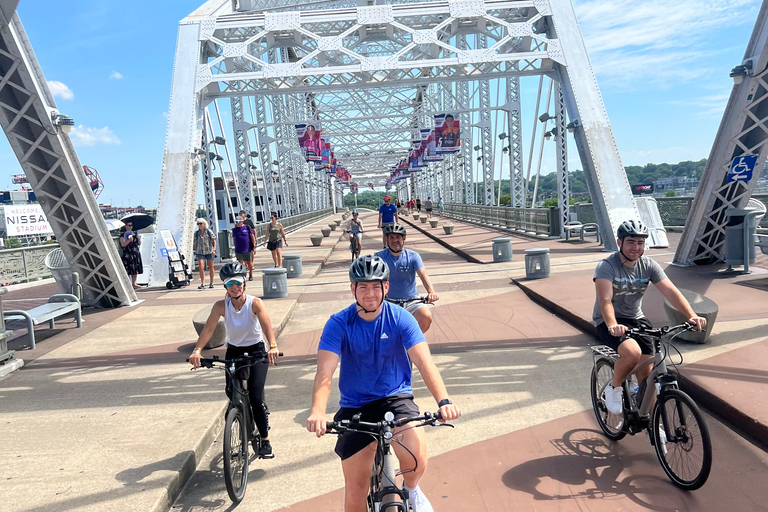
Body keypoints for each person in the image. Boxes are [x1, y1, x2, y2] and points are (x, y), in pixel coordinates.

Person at [306, 255, 461, 512]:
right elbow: (325, 372)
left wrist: (443, 401)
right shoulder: (339, 323)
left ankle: (412, 489)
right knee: (355, 493)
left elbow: (425, 363)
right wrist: (317, 412)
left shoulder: (401, 318)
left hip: (395, 398)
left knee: (416, 456)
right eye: (363, 287)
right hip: (356, 405)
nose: (370, 294)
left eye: (375, 286)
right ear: (353, 288)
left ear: (386, 287)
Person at [594, 219, 706, 415]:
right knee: (632, 353)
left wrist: (692, 315)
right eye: (630, 242)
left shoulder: (648, 265)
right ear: (620, 242)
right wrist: (612, 324)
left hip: (636, 318)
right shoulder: (606, 266)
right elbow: (605, 300)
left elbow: (671, 292)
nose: (636, 247)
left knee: (647, 379)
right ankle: (615, 386)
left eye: (640, 243)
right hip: (610, 320)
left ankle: (650, 424)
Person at [189, 262, 280, 458]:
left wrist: (272, 346)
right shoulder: (221, 306)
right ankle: (236, 420)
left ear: (244, 283)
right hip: (234, 351)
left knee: (256, 397)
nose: (234, 287)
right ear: (225, 285)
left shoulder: (255, 303)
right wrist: (197, 351)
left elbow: (267, 327)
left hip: (256, 351)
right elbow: (209, 329)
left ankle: (265, 439)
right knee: (233, 393)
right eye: (230, 283)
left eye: (238, 282)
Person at [377, 224, 438, 333]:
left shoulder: (413, 256)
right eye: (391, 237)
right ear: (387, 239)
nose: (394, 240)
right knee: (376, 324)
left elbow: (423, 274)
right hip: (389, 301)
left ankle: (413, 339)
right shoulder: (379, 257)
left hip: (411, 301)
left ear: (404, 238)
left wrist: (431, 292)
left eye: (398, 237)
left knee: (426, 316)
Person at [193, 218, 217, 290]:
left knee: (211, 266)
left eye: (200, 223)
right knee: (201, 266)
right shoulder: (196, 233)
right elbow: (196, 242)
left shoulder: (209, 231)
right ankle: (203, 283)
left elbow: (214, 240)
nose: (199, 225)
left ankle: (211, 282)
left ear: (204, 224)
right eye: (198, 224)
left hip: (209, 251)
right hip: (200, 251)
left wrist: (214, 249)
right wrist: (196, 252)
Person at [233, 217, 257, 281]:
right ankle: (242, 275)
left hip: (247, 248)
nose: (237, 223)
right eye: (236, 222)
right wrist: (235, 246)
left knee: (249, 262)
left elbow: (252, 237)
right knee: (240, 263)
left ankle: (250, 274)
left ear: (241, 222)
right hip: (238, 249)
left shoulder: (247, 227)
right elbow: (234, 238)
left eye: (238, 222)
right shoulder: (234, 229)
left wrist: (254, 246)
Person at [120, 222, 143, 289]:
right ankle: (127, 284)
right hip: (128, 253)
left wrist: (138, 238)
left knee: (135, 268)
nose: (131, 227)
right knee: (127, 268)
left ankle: (134, 283)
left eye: (132, 225)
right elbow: (123, 244)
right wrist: (129, 241)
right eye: (129, 225)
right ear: (126, 226)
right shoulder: (123, 235)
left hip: (135, 253)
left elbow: (139, 243)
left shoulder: (134, 234)